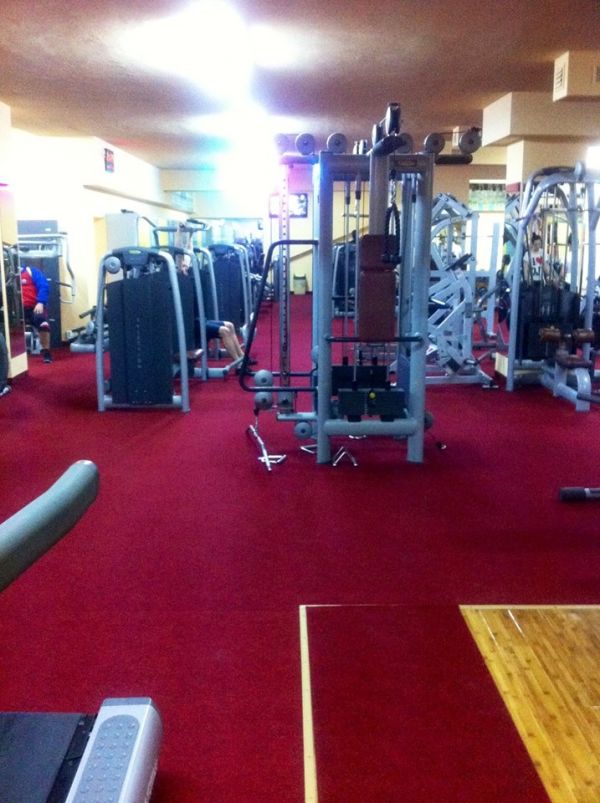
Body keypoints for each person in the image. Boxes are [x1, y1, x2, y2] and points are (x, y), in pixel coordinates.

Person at [20, 264, 52, 363]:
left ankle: (46, 352)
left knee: (43, 323)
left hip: (34, 307)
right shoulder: (7, 275)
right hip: (17, 309)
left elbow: (43, 286)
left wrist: (40, 302)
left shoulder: (31, 271)